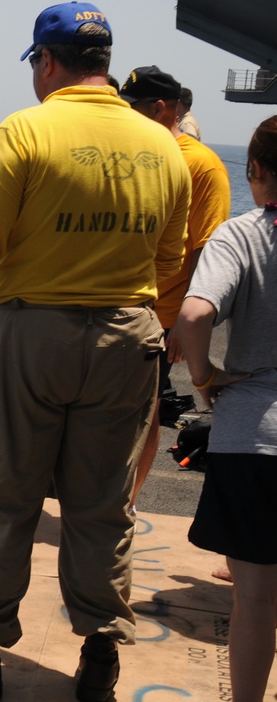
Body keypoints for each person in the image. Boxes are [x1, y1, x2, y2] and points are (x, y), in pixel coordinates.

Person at [0, 3, 190, 702]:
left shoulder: (27, 129)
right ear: (105, 61)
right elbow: (170, 260)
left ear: (47, 61)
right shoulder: (166, 144)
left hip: (34, 333)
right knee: (102, 500)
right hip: (129, 333)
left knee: (4, 491)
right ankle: (101, 650)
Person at [173, 115, 277, 702]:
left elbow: (193, 315)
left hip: (256, 438)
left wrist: (205, 378)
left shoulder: (242, 235)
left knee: (256, 599)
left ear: (256, 171)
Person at [120, 67, 231, 509]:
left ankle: (126, 501)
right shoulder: (131, 150)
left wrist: (186, 324)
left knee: (143, 418)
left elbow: (209, 250)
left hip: (161, 317)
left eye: (133, 108)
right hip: (118, 306)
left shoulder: (201, 164)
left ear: (159, 109)